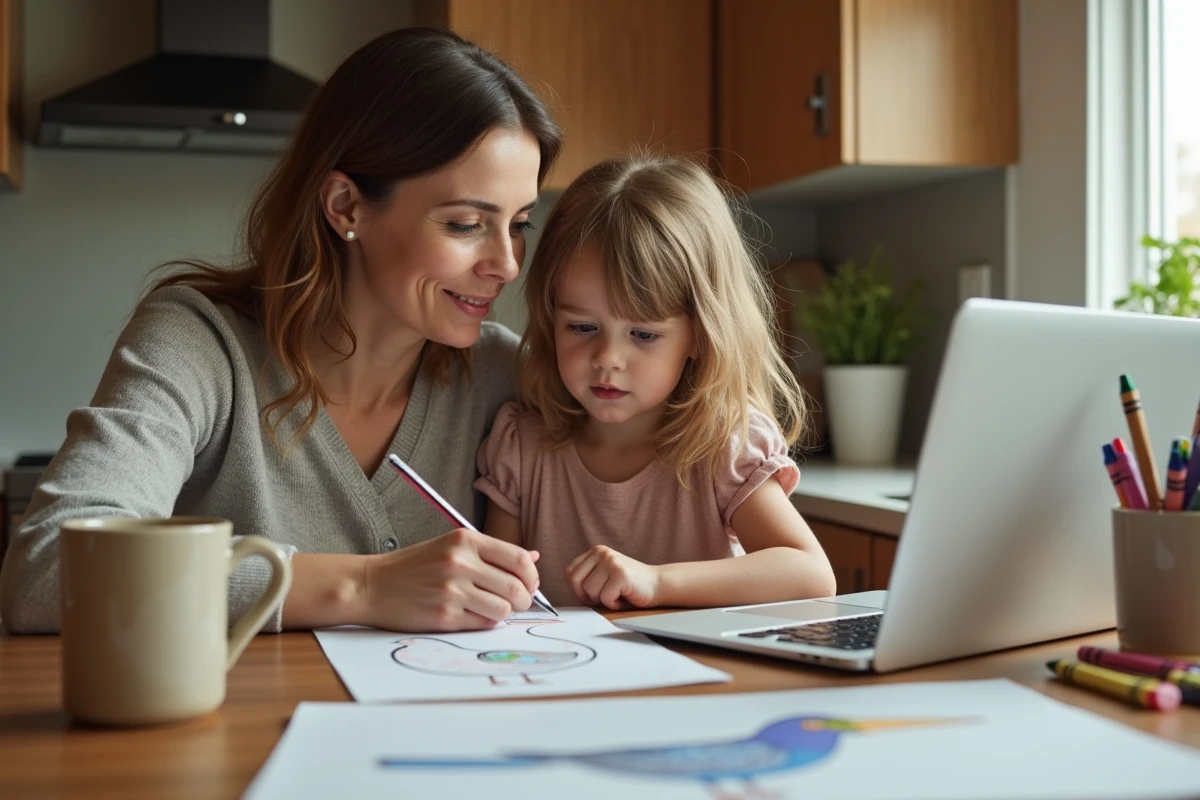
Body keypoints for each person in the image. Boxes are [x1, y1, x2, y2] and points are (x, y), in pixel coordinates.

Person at [0, 28, 563, 634]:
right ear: (346, 206)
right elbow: (47, 568)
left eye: (520, 224)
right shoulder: (199, 344)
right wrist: (366, 584)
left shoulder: (507, 374)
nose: (505, 264)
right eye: (465, 224)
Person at [475, 154, 837, 609]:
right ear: (551, 320)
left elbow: (810, 573)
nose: (607, 359)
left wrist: (656, 582)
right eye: (582, 328)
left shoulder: (722, 447)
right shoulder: (522, 447)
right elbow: (497, 592)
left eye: (643, 334)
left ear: (701, 336)